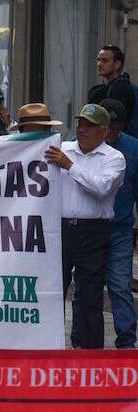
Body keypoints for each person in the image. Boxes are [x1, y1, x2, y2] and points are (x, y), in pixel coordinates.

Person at [45, 103, 125, 349]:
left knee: (89, 295)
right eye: (80, 124)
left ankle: (87, 352)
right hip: (59, 228)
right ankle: (48, 346)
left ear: (104, 131)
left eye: (89, 126)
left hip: (92, 232)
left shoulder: (114, 158)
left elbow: (101, 188)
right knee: (52, 289)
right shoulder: (63, 148)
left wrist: (70, 166)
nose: (82, 130)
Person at [98, 99, 138, 349]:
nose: (110, 132)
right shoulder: (84, 142)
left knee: (120, 284)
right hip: (90, 228)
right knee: (86, 287)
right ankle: (86, 341)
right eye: (107, 126)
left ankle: (126, 341)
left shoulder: (133, 148)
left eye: (116, 127)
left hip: (121, 228)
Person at [88, 45, 135, 131]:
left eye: (104, 61)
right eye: (98, 60)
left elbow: (113, 124)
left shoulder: (120, 88)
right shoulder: (105, 88)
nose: (99, 64)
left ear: (117, 64)